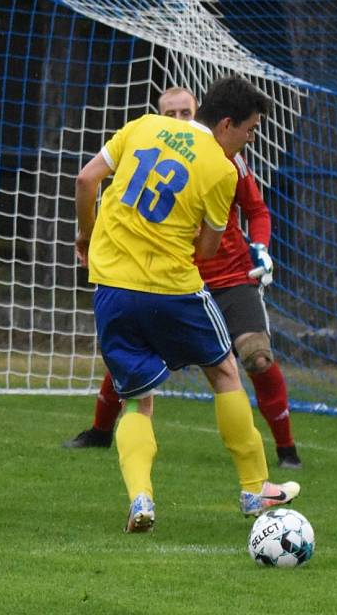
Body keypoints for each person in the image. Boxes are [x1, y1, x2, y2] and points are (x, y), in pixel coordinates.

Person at [74, 75, 299, 533]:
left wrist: (86, 234)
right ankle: (255, 486)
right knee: (224, 371)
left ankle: (141, 498)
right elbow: (211, 248)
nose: (250, 140)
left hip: (112, 286)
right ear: (227, 124)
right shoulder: (220, 168)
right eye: (250, 130)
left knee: (138, 400)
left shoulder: (141, 126)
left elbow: (86, 178)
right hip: (172, 286)